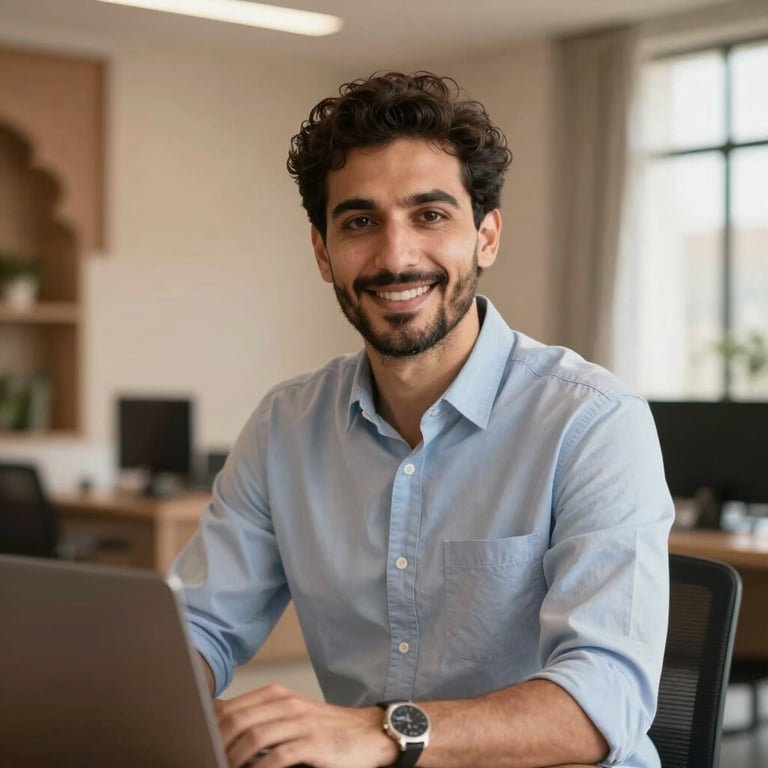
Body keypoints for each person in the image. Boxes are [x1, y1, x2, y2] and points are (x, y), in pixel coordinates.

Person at [171, 71, 674, 768]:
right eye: (359, 221)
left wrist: (380, 732)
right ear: (323, 251)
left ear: (486, 236)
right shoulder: (284, 428)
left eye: (430, 215)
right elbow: (195, 627)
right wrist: (167, 706)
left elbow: (605, 699)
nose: (396, 255)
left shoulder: (593, 422)